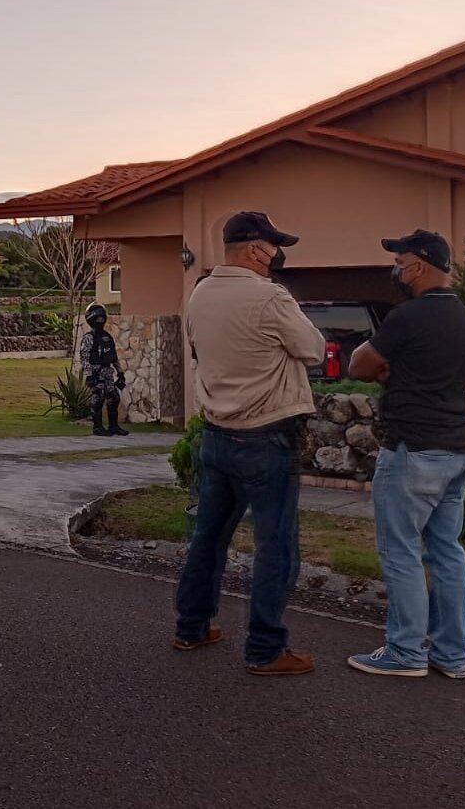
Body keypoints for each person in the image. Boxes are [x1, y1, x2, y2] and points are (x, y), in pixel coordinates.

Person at [173, 211, 325, 676]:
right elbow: (314, 349)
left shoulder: (199, 294)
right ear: (257, 249)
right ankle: (264, 649)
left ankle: (192, 626)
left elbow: (197, 347)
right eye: (275, 246)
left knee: (208, 537)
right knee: (275, 545)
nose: (278, 254)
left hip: (216, 435)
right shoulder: (270, 298)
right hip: (266, 436)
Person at [345, 229, 465, 680]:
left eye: (400, 262)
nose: (397, 271)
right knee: (447, 552)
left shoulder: (408, 317)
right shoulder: (464, 317)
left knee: (401, 551)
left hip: (412, 450)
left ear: (419, 266)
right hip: (457, 449)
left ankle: (405, 652)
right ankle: (451, 653)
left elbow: (359, 364)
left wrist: (389, 370)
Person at [80, 303, 128, 437]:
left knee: (114, 398)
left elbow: (113, 356)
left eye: (102, 318)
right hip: (96, 372)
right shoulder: (89, 338)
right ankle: (97, 427)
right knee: (98, 398)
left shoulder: (107, 337)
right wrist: (89, 375)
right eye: (98, 318)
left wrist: (120, 372)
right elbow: (84, 358)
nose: (100, 321)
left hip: (108, 372)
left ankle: (113, 426)